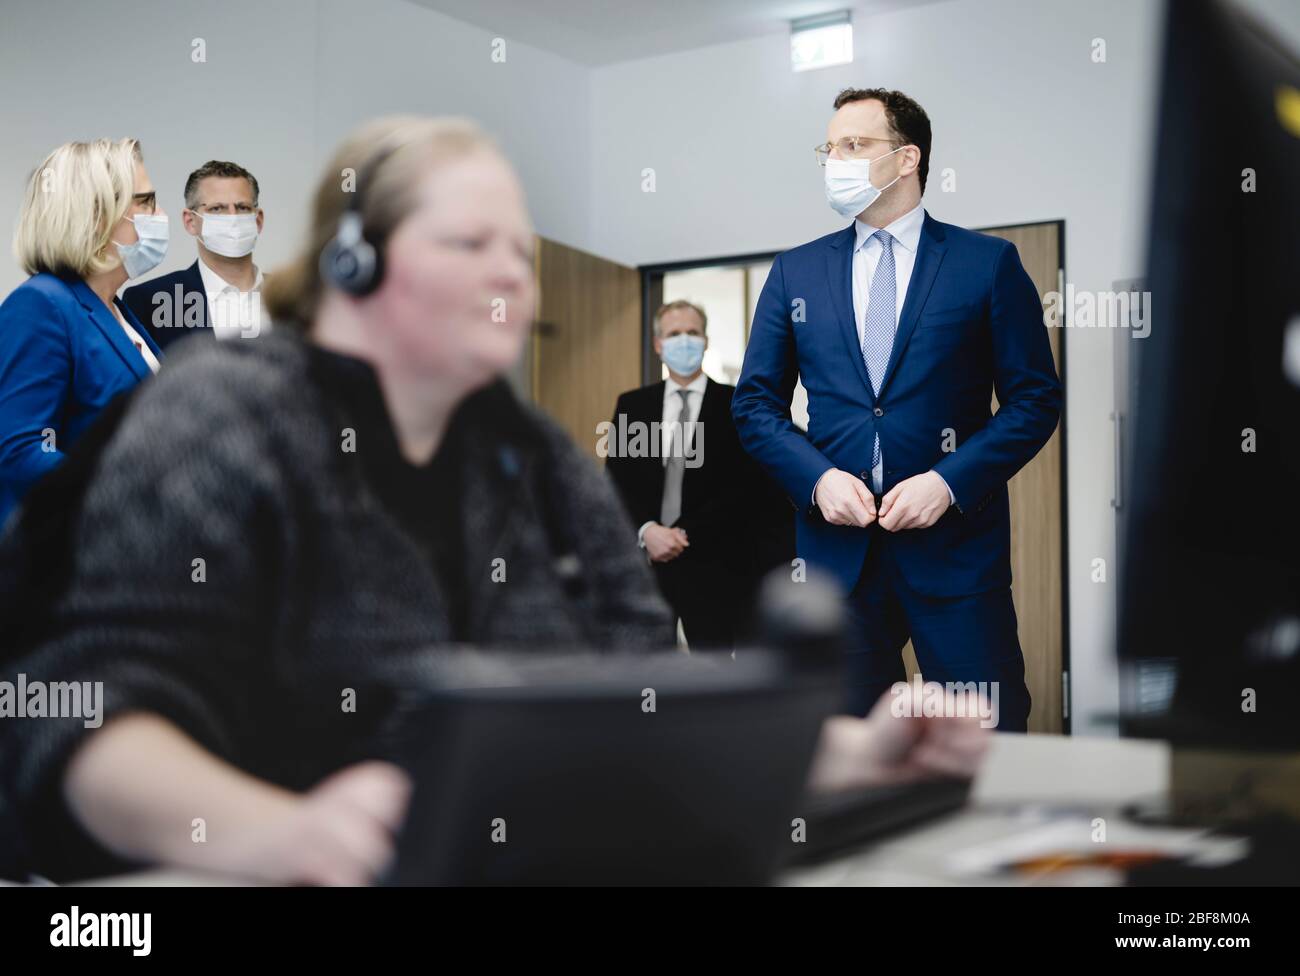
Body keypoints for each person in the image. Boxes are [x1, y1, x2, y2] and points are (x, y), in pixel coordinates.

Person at [0, 116, 988, 886]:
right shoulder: (222, 410)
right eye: (472, 241)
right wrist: (278, 832)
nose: (511, 271)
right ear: (354, 263)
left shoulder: (532, 454)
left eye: (519, 250)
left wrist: (851, 747)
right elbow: (81, 720)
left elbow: (643, 688)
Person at [733, 88, 1062, 730]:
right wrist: (817, 479)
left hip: (957, 555)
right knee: (844, 751)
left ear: (907, 157)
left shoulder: (987, 264)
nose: (836, 161)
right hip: (835, 564)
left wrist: (948, 482)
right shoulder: (795, 272)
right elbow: (754, 405)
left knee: (987, 739)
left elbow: (1034, 399)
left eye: (854, 145)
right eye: (829, 149)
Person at [0, 138, 165, 528]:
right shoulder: (42, 304)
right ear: (96, 215)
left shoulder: (115, 309)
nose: (159, 214)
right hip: (70, 566)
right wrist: (130, 500)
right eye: (145, 202)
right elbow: (21, 451)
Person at [605, 300, 750, 649]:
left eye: (692, 333)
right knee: (650, 669)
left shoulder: (737, 404)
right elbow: (616, 481)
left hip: (714, 563)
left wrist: (682, 534)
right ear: (658, 344)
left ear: (705, 340)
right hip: (647, 564)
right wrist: (646, 532)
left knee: (712, 665)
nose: (684, 340)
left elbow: (744, 487)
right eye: (674, 334)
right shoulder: (633, 405)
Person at [123, 159, 268, 349]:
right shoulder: (150, 302)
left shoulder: (297, 300)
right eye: (217, 209)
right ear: (190, 221)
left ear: (258, 220)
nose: (232, 218)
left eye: (242, 207)